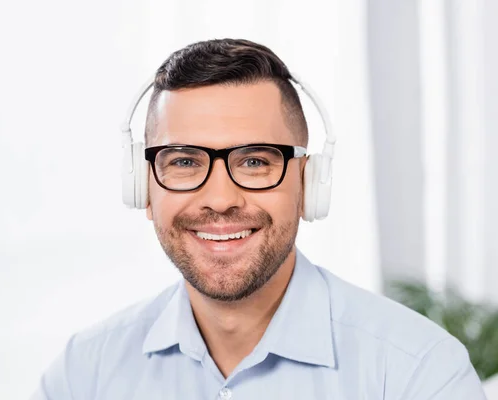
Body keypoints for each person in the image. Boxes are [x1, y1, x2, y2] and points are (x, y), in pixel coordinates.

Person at [31, 38, 486, 399]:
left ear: (309, 184)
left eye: (254, 162)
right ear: (143, 188)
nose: (220, 198)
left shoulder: (418, 373)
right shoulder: (84, 373)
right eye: (184, 162)